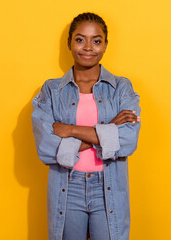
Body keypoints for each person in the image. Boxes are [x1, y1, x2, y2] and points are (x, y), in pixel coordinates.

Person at [31, 12, 141, 240]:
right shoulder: (51, 91)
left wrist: (69, 130)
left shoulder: (121, 88)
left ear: (105, 45)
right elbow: (46, 147)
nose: (88, 47)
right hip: (67, 186)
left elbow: (128, 141)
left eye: (96, 40)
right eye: (80, 39)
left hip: (108, 186)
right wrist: (108, 130)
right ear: (69, 42)